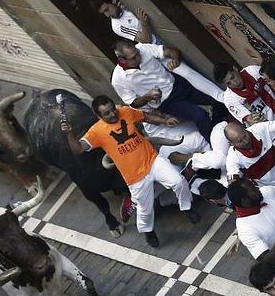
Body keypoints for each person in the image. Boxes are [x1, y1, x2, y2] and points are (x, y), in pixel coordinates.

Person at [60, 95, 199, 247]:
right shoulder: (96, 132)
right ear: (98, 116)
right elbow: (78, 149)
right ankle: (148, 231)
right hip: (135, 177)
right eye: (106, 113)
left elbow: (145, 117)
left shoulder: (125, 111)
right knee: (145, 208)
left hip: (152, 161)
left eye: (113, 109)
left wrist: (164, 121)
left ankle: (187, 208)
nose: (113, 114)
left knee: (178, 181)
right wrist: (69, 133)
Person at [111, 39, 226, 142]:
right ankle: (216, 146)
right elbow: (133, 103)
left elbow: (171, 51)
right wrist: (147, 97)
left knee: (216, 98)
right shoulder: (118, 79)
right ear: (122, 59)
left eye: (137, 53)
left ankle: (222, 126)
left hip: (179, 85)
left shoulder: (143, 48)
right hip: (168, 103)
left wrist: (175, 60)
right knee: (200, 115)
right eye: (133, 58)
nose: (138, 57)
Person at [225, 119, 275, 186]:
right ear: (231, 143)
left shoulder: (259, 129)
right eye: (240, 141)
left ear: (245, 129)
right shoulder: (232, 157)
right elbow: (232, 184)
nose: (245, 141)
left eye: (245, 136)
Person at [89, 0, 160, 44]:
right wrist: (144, 23)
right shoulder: (117, 26)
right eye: (104, 13)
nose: (107, 15)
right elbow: (145, 40)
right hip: (158, 44)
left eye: (107, 9)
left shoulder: (125, 1)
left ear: (113, 0)